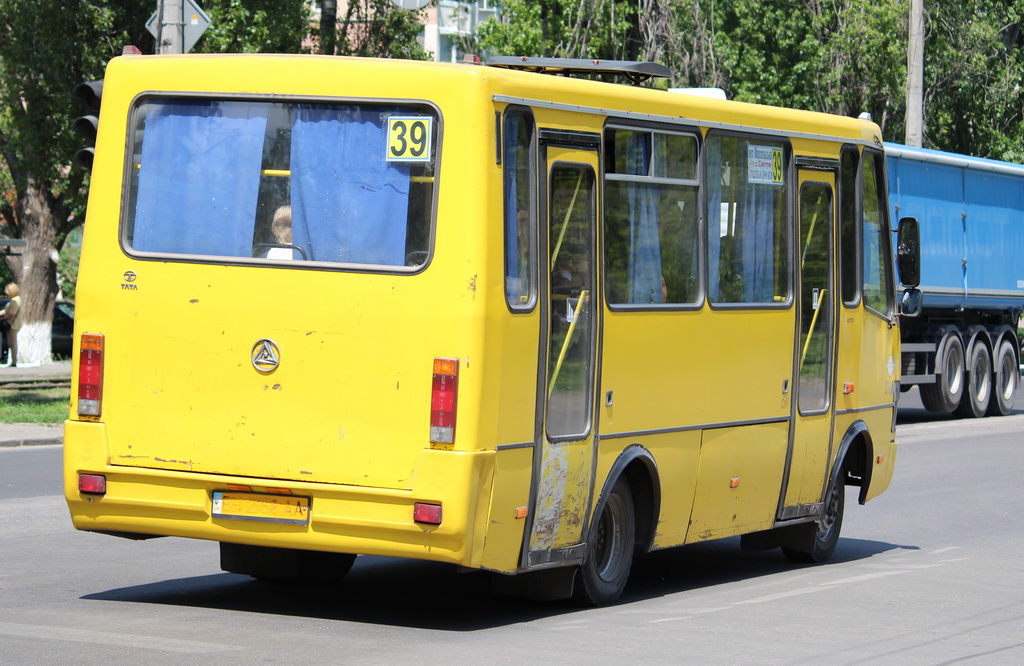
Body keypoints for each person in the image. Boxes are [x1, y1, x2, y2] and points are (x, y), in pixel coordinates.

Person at [0, 283, 23, 367]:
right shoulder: (15, 299)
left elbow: (11, 314)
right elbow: (5, 311)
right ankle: (13, 361)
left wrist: (2, 319)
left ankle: (14, 362)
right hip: (13, 324)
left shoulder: (15, 301)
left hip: (12, 324)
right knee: (11, 343)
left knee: (12, 343)